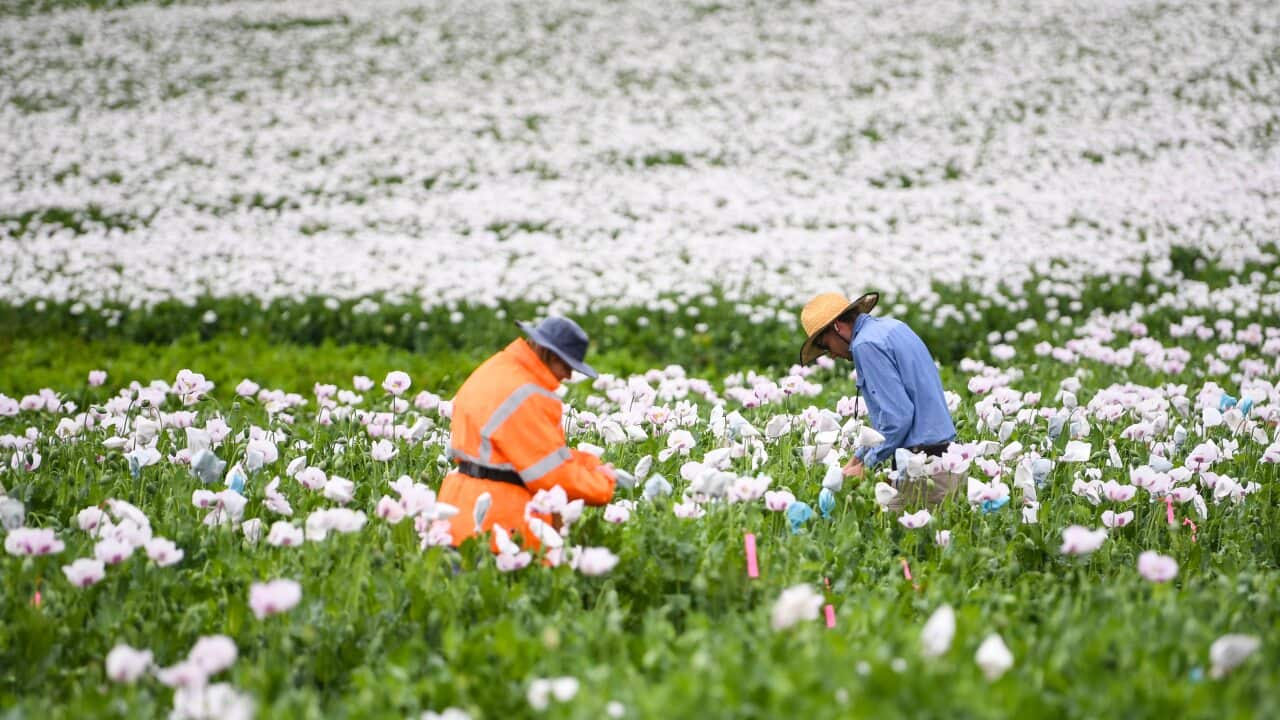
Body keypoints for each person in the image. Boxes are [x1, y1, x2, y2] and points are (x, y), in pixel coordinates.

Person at [439, 316, 616, 552]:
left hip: (455, 512)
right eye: (567, 366)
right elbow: (550, 475)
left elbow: (515, 452)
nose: (569, 376)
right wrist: (603, 483)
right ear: (550, 355)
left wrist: (588, 463)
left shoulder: (495, 369)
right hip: (499, 524)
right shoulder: (528, 394)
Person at [799, 292, 959, 508]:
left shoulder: (865, 345)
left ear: (837, 326)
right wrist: (857, 458)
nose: (832, 355)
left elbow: (898, 418)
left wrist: (866, 465)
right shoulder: (893, 327)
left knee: (901, 538)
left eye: (827, 345)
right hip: (947, 458)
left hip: (922, 466)